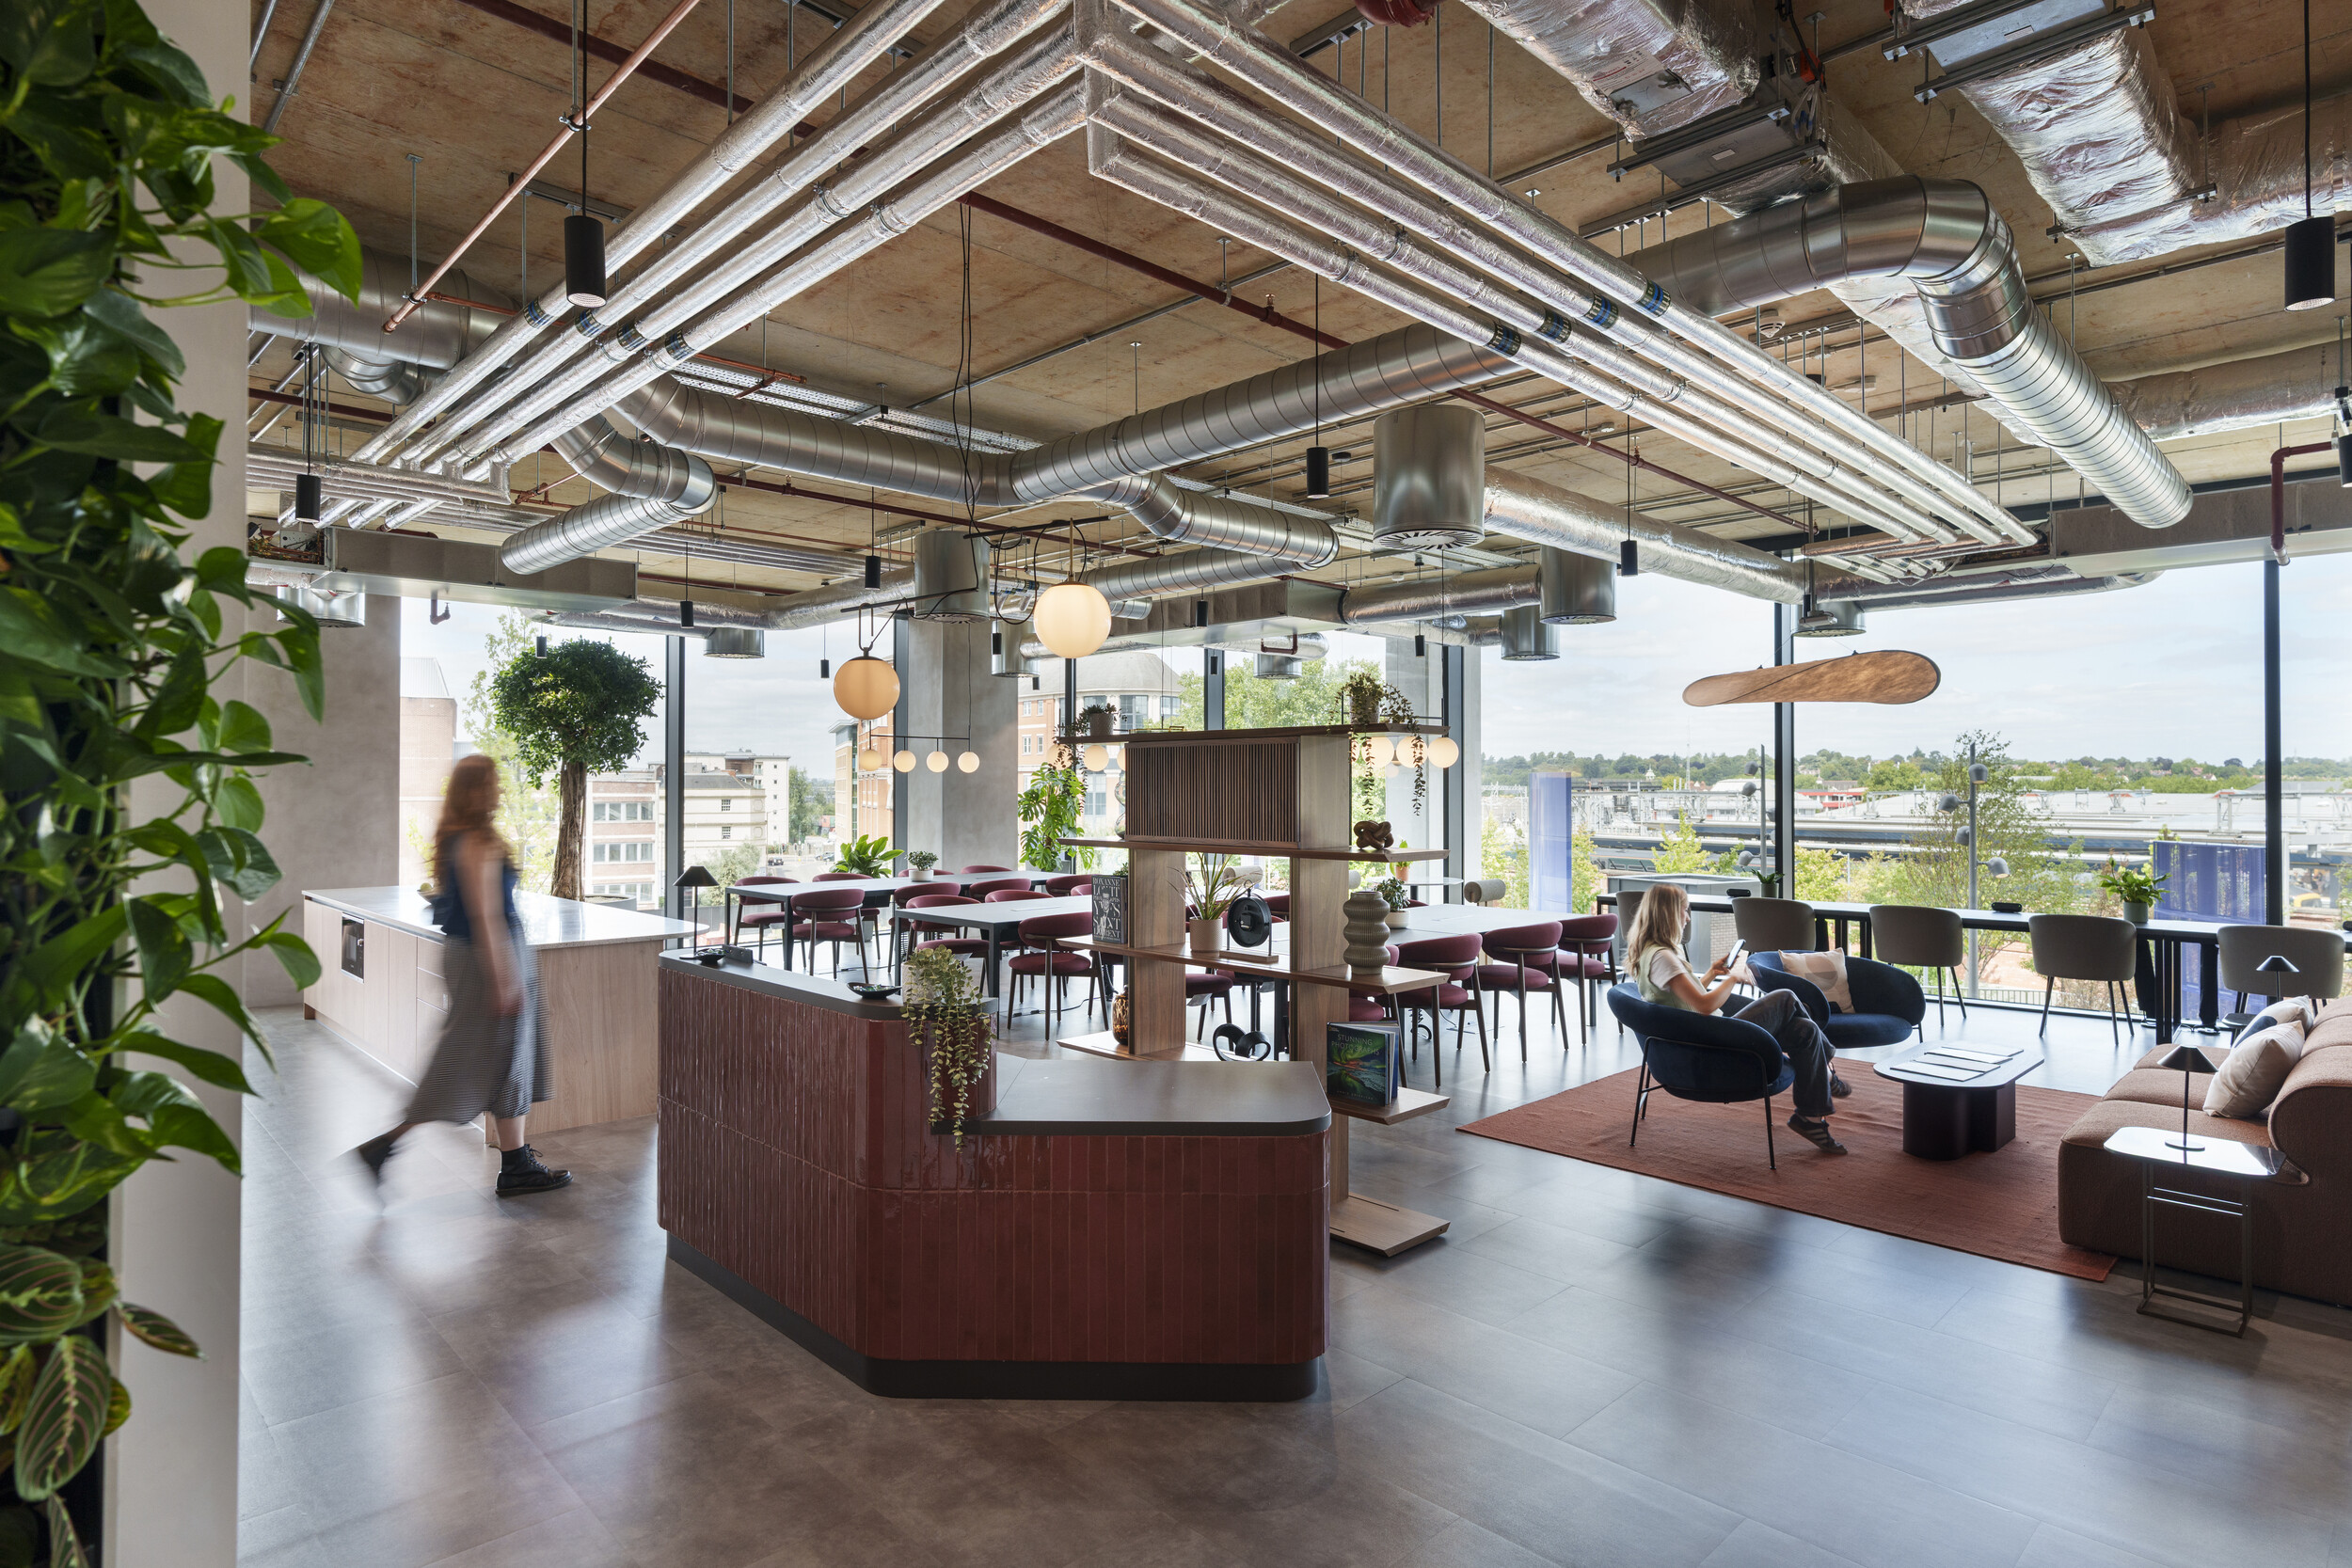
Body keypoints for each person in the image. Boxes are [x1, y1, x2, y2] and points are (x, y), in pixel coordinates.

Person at [354, 754, 571, 1196]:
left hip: (481, 955)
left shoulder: (461, 836)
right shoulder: (474, 841)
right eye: (492, 783)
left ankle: (515, 1163)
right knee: (463, 1059)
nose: (499, 790)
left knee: (504, 1058)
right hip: (487, 958)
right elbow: (486, 915)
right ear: (474, 790)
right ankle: (387, 1145)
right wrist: (504, 979)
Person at [1624, 882, 1850, 1154]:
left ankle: (1810, 1119)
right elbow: (1704, 1005)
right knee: (1786, 997)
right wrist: (1733, 978)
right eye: (1684, 910)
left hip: (1707, 1033)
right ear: (1669, 914)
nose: (1688, 918)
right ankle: (1827, 1067)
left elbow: (1682, 998)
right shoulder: (1664, 958)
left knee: (1805, 1030)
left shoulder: (1655, 952)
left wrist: (1711, 973)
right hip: (1711, 1043)